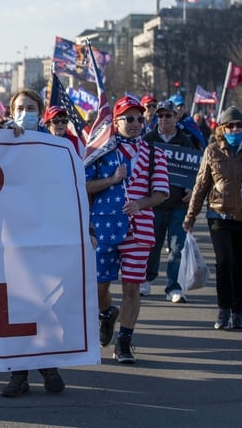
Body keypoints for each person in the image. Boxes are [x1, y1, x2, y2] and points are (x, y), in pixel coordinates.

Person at [86, 96, 169, 364]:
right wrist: (112, 180)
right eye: (129, 118)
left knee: (132, 288)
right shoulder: (102, 151)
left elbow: (161, 193)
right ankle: (107, 313)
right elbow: (84, 187)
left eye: (139, 118)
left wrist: (141, 203)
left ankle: (124, 341)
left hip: (139, 228)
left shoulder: (155, 153)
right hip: (104, 226)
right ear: (116, 121)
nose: (135, 123)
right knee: (99, 287)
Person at [0, 90, 65, 397]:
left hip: (46, 237)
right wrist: (3, 136)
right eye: (19, 108)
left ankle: (47, 364)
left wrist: (87, 228)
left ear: (40, 112)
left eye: (30, 108)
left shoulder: (57, 147)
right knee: (15, 306)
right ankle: (19, 375)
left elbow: (72, 191)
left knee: (44, 303)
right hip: (9, 237)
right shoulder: (1, 142)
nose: (24, 112)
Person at [183, 106, 242, 331]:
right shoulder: (212, 151)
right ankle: (223, 309)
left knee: (240, 267)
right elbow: (200, 185)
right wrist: (191, 217)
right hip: (218, 216)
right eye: (230, 125)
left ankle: (238, 311)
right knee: (225, 263)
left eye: (239, 125)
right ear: (222, 129)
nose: (235, 129)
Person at [142, 100, 195, 302]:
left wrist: (192, 188)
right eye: (161, 115)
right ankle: (146, 280)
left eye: (168, 116)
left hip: (178, 204)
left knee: (176, 248)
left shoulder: (185, 141)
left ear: (176, 117)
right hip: (153, 204)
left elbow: (194, 170)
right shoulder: (148, 139)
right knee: (151, 245)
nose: (164, 119)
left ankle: (174, 287)